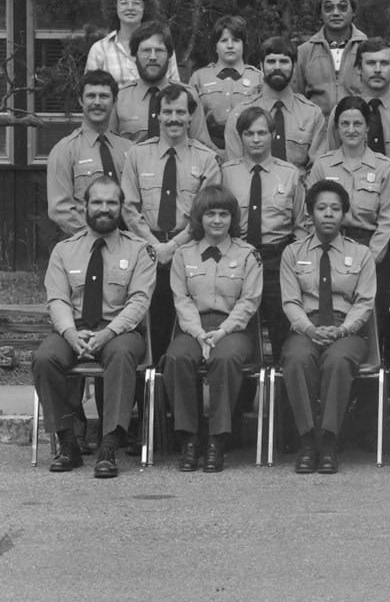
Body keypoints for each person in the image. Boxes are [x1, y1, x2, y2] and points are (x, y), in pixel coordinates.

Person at [34, 176, 155, 477]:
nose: (104, 208)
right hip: (73, 328)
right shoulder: (64, 250)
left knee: (121, 354)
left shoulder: (140, 250)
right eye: (97, 202)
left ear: (121, 208)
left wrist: (108, 333)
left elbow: (139, 302)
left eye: (111, 202)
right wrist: (70, 333)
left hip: (120, 330)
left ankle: (109, 446)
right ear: (85, 206)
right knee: (44, 358)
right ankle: (68, 443)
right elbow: (58, 299)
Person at [162, 185, 262, 473]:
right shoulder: (183, 255)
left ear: (233, 218)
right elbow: (181, 300)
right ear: (199, 218)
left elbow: (249, 301)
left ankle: (218, 439)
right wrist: (197, 333)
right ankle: (189, 439)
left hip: (233, 330)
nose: (217, 220)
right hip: (194, 327)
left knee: (225, 358)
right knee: (177, 358)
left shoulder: (248, 254)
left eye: (223, 214)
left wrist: (222, 332)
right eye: (210, 214)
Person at [280, 179, 377, 475]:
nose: (328, 214)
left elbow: (364, 302)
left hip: (345, 329)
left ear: (344, 214)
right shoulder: (292, 253)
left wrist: (344, 330)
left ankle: (330, 442)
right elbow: (290, 301)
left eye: (335, 208)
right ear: (310, 213)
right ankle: (309, 442)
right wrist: (309, 329)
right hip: (305, 328)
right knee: (296, 359)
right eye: (321, 208)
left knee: (337, 361)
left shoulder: (362, 254)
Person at [121, 84, 221, 362]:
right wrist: (155, 246)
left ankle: (180, 399)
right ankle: (151, 401)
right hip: (145, 250)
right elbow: (130, 208)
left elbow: (206, 212)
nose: (174, 118)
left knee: (185, 329)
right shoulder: (137, 156)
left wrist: (172, 246)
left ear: (191, 117)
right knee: (151, 328)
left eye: (180, 112)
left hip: (190, 251)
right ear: (158, 116)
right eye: (167, 112)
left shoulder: (207, 159)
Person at [306, 94, 390, 358]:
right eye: (344, 124)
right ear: (336, 128)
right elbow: (311, 212)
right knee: (332, 315)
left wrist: (368, 259)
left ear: (368, 127)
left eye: (357, 124)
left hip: (372, 251)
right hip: (329, 248)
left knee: (375, 320)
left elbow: (388, 217)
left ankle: (374, 390)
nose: (351, 130)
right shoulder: (323, 165)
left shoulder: (384, 167)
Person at [220, 106, 306, 361]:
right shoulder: (226, 173)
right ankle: (243, 400)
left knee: (283, 331)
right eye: (249, 133)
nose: (256, 139)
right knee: (240, 333)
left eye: (261, 133)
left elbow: (301, 225)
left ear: (273, 135)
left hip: (276, 261)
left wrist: (296, 267)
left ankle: (281, 396)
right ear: (240, 137)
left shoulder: (290, 174)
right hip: (237, 261)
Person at [224, 36, 328, 175]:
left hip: (299, 193)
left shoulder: (312, 114)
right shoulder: (240, 114)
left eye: (284, 61)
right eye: (271, 61)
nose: (277, 67)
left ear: (295, 66)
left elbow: (317, 171)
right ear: (261, 66)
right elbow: (235, 171)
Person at [47, 70, 133, 236]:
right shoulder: (64, 150)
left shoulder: (129, 150)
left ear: (114, 101)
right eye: (91, 96)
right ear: (81, 100)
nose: (97, 102)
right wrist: (93, 237)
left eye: (104, 96)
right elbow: (60, 209)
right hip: (84, 247)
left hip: (128, 248)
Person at [111, 22, 213, 147]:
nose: (153, 57)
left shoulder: (188, 95)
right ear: (134, 56)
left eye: (159, 50)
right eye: (146, 50)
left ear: (169, 56)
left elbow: (202, 147)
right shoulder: (120, 98)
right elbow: (111, 149)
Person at [328, 37, 390, 170]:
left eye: (384, 63)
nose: (377, 70)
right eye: (371, 63)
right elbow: (332, 162)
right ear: (359, 69)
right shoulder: (341, 112)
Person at [85, 0, 180, 86]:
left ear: (146, 7)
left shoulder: (162, 46)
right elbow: (91, 92)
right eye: (123, 3)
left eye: (136, 3)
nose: (130, 8)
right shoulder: (100, 49)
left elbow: (176, 89)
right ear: (114, 7)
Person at [189, 15, 262, 152]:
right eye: (223, 40)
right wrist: (210, 151)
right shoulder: (199, 77)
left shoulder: (257, 78)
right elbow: (192, 121)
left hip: (248, 152)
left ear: (244, 45)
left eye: (235, 40)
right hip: (206, 152)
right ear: (215, 46)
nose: (230, 45)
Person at [293, 0, 368, 115]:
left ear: (353, 11)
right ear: (320, 13)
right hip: (317, 130)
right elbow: (296, 98)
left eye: (343, 7)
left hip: (357, 129)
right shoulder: (304, 52)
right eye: (328, 7)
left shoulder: (368, 49)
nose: (335, 13)